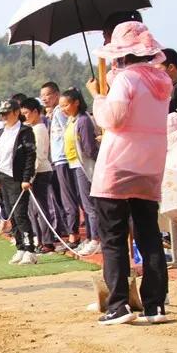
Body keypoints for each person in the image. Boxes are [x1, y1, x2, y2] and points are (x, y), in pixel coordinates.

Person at [86, 21, 173, 325]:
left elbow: (114, 118)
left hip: (119, 165)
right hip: (149, 166)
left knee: (113, 237)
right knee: (149, 235)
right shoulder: (162, 82)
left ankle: (119, 304)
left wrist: (98, 97)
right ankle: (155, 304)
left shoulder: (126, 82)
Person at [0, 99, 37, 265]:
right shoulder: (1, 132)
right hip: (4, 177)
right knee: (11, 214)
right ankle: (20, 247)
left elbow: (30, 156)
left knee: (20, 214)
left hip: (18, 178)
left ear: (16, 112)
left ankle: (29, 249)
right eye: (2, 114)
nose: (4, 117)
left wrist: (27, 178)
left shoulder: (25, 131)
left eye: (7, 113)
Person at [59, 88, 101, 256]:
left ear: (76, 102)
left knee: (90, 205)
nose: (63, 109)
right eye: (61, 106)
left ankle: (96, 239)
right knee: (85, 204)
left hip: (84, 164)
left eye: (66, 105)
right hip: (74, 164)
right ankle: (91, 236)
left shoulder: (83, 120)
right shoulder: (72, 120)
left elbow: (89, 147)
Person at [41, 81, 80, 246]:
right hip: (56, 160)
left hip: (65, 158)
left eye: (48, 95)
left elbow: (69, 131)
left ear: (56, 94)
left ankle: (74, 234)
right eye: (42, 96)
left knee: (69, 197)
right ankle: (67, 230)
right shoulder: (51, 114)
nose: (44, 99)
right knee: (60, 198)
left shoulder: (61, 111)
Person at [19, 97, 56, 253]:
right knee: (34, 210)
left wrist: (29, 177)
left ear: (35, 112)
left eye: (27, 113)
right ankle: (41, 240)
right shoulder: (32, 128)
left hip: (41, 172)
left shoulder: (39, 129)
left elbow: (39, 156)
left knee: (41, 208)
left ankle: (48, 242)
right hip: (36, 173)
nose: (25, 116)